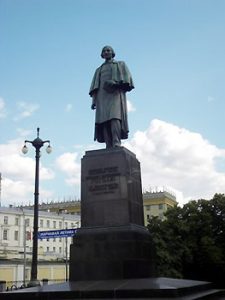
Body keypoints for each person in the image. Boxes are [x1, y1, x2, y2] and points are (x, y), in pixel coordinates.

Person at [89, 46, 134, 148]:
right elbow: (95, 87)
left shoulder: (120, 64)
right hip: (101, 97)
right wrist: (94, 100)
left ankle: (116, 142)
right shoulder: (99, 70)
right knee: (103, 120)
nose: (106, 52)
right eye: (104, 51)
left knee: (115, 118)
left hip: (115, 94)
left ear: (113, 52)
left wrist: (115, 83)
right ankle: (108, 144)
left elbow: (127, 80)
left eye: (108, 50)